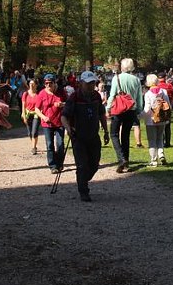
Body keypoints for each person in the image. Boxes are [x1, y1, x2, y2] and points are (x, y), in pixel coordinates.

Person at [62, 71, 110, 202]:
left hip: (93, 136)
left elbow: (101, 114)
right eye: (88, 83)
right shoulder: (74, 97)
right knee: (82, 165)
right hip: (78, 137)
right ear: (81, 83)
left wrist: (106, 131)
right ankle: (83, 191)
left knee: (94, 164)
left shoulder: (96, 96)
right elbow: (64, 116)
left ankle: (82, 178)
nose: (91, 86)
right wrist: (68, 128)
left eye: (93, 83)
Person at [107, 58, 143, 173]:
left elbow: (112, 95)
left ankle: (121, 158)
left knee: (113, 133)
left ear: (122, 67)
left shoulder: (116, 78)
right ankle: (126, 161)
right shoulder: (136, 80)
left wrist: (108, 108)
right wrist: (138, 109)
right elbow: (139, 97)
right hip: (131, 109)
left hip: (118, 109)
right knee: (126, 136)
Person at [34, 73, 67, 174]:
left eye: (50, 83)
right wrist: (43, 117)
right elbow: (36, 109)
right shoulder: (42, 94)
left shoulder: (61, 92)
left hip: (59, 122)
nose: (48, 85)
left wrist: (62, 104)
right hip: (47, 124)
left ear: (54, 83)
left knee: (60, 144)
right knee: (49, 145)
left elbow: (69, 104)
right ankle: (52, 166)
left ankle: (60, 163)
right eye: (46, 83)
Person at [142, 73, 171, 166]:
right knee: (160, 138)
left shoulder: (148, 94)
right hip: (162, 119)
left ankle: (154, 160)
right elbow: (168, 105)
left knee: (152, 140)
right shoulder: (163, 91)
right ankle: (161, 154)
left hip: (151, 120)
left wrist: (139, 116)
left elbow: (147, 109)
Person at [21, 78, 41, 155]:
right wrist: (24, 116)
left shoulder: (39, 95)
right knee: (29, 133)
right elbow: (23, 105)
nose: (31, 85)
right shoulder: (25, 94)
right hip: (28, 114)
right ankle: (33, 143)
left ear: (36, 85)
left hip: (36, 114)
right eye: (30, 84)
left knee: (34, 131)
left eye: (33, 84)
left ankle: (34, 147)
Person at [157, 73, 173, 148]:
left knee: (159, 125)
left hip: (158, 108)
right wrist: (171, 106)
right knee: (167, 126)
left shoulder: (157, 87)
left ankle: (161, 141)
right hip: (167, 107)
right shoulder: (169, 86)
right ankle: (167, 142)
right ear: (165, 77)